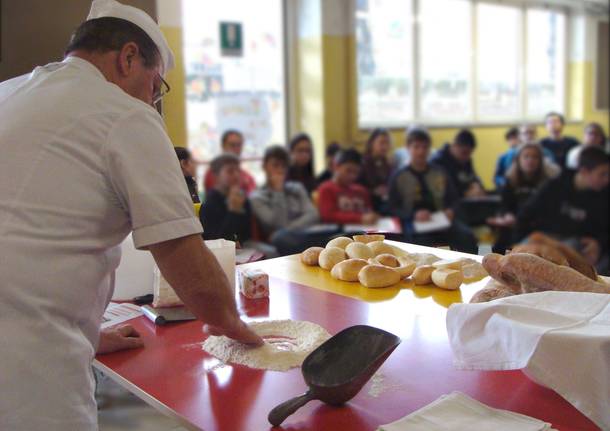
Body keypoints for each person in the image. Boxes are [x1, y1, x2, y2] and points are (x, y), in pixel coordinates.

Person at [0, 2, 261, 429]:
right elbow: (183, 257)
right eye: (155, 86)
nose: (152, 101)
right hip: (25, 376)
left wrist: (91, 334)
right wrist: (236, 326)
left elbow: (29, 234)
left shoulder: (11, 92)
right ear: (127, 59)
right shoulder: (124, 114)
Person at [517, 146, 609, 273]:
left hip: (580, 246)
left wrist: (599, 243)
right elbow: (525, 214)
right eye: (602, 174)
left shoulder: (605, 194)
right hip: (545, 239)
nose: (607, 179)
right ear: (584, 171)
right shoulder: (555, 186)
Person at [389, 128, 478, 254]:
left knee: (467, 236)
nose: (421, 152)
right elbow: (392, 207)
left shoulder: (440, 173)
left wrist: (451, 211)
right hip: (413, 222)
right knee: (422, 242)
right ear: (408, 148)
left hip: (441, 219)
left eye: (425, 147)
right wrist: (413, 215)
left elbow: (454, 199)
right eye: (416, 147)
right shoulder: (399, 176)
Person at [250, 146, 323, 255]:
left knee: (338, 232)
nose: (280, 170)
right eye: (275, 165)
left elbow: (313, 214)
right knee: (279, 237)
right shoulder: (257, 197)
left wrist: (290, 228)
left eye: (283, 166)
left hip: (306, 233)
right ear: (264, 167)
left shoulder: (296, 187)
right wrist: (278, 192)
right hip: (283, 241)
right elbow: (279, 224)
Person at [490, 143, 560, 253]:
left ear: (540, 161)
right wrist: (507, 215)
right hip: (513, 225)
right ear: (519, 160)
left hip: (538, 228)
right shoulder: (510, 180)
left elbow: (551, 209)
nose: (530, 160)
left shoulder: (548, 182)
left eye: (534, 157)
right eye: (526, 156)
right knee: (499, 244)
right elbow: (505, 205)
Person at [318, 149, 380, 225]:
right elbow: (328, 216)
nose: (352, 176)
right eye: (348, 170)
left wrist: (373, 216)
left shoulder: (361, 190)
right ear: (336, 167)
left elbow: (368, 211)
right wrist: (359, 218)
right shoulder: (326, 188)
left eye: (356, 172)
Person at [430, 129, 485, 198]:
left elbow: (474, 178)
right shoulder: (438, 162)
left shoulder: (466, 160)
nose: (467, 157)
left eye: (470, 154)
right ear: (454, 146)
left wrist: (478, 187)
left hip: (463, 203)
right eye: (464, 153)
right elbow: (440, 191)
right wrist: (464, 193)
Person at [203, 129, 257, 195]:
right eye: (232, 145)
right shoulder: (213, 174)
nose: (237, 149)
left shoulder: (248, 177)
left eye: (239, 145)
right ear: (223, 146)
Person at [359, 128, 394, 212]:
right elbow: (355, 187)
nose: (385, 147)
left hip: (385, 201)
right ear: (371, 143)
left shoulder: (388, 163)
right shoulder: (362, 163)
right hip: (367, 203)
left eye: (387, 143)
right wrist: (373, 191)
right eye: (381, 143)